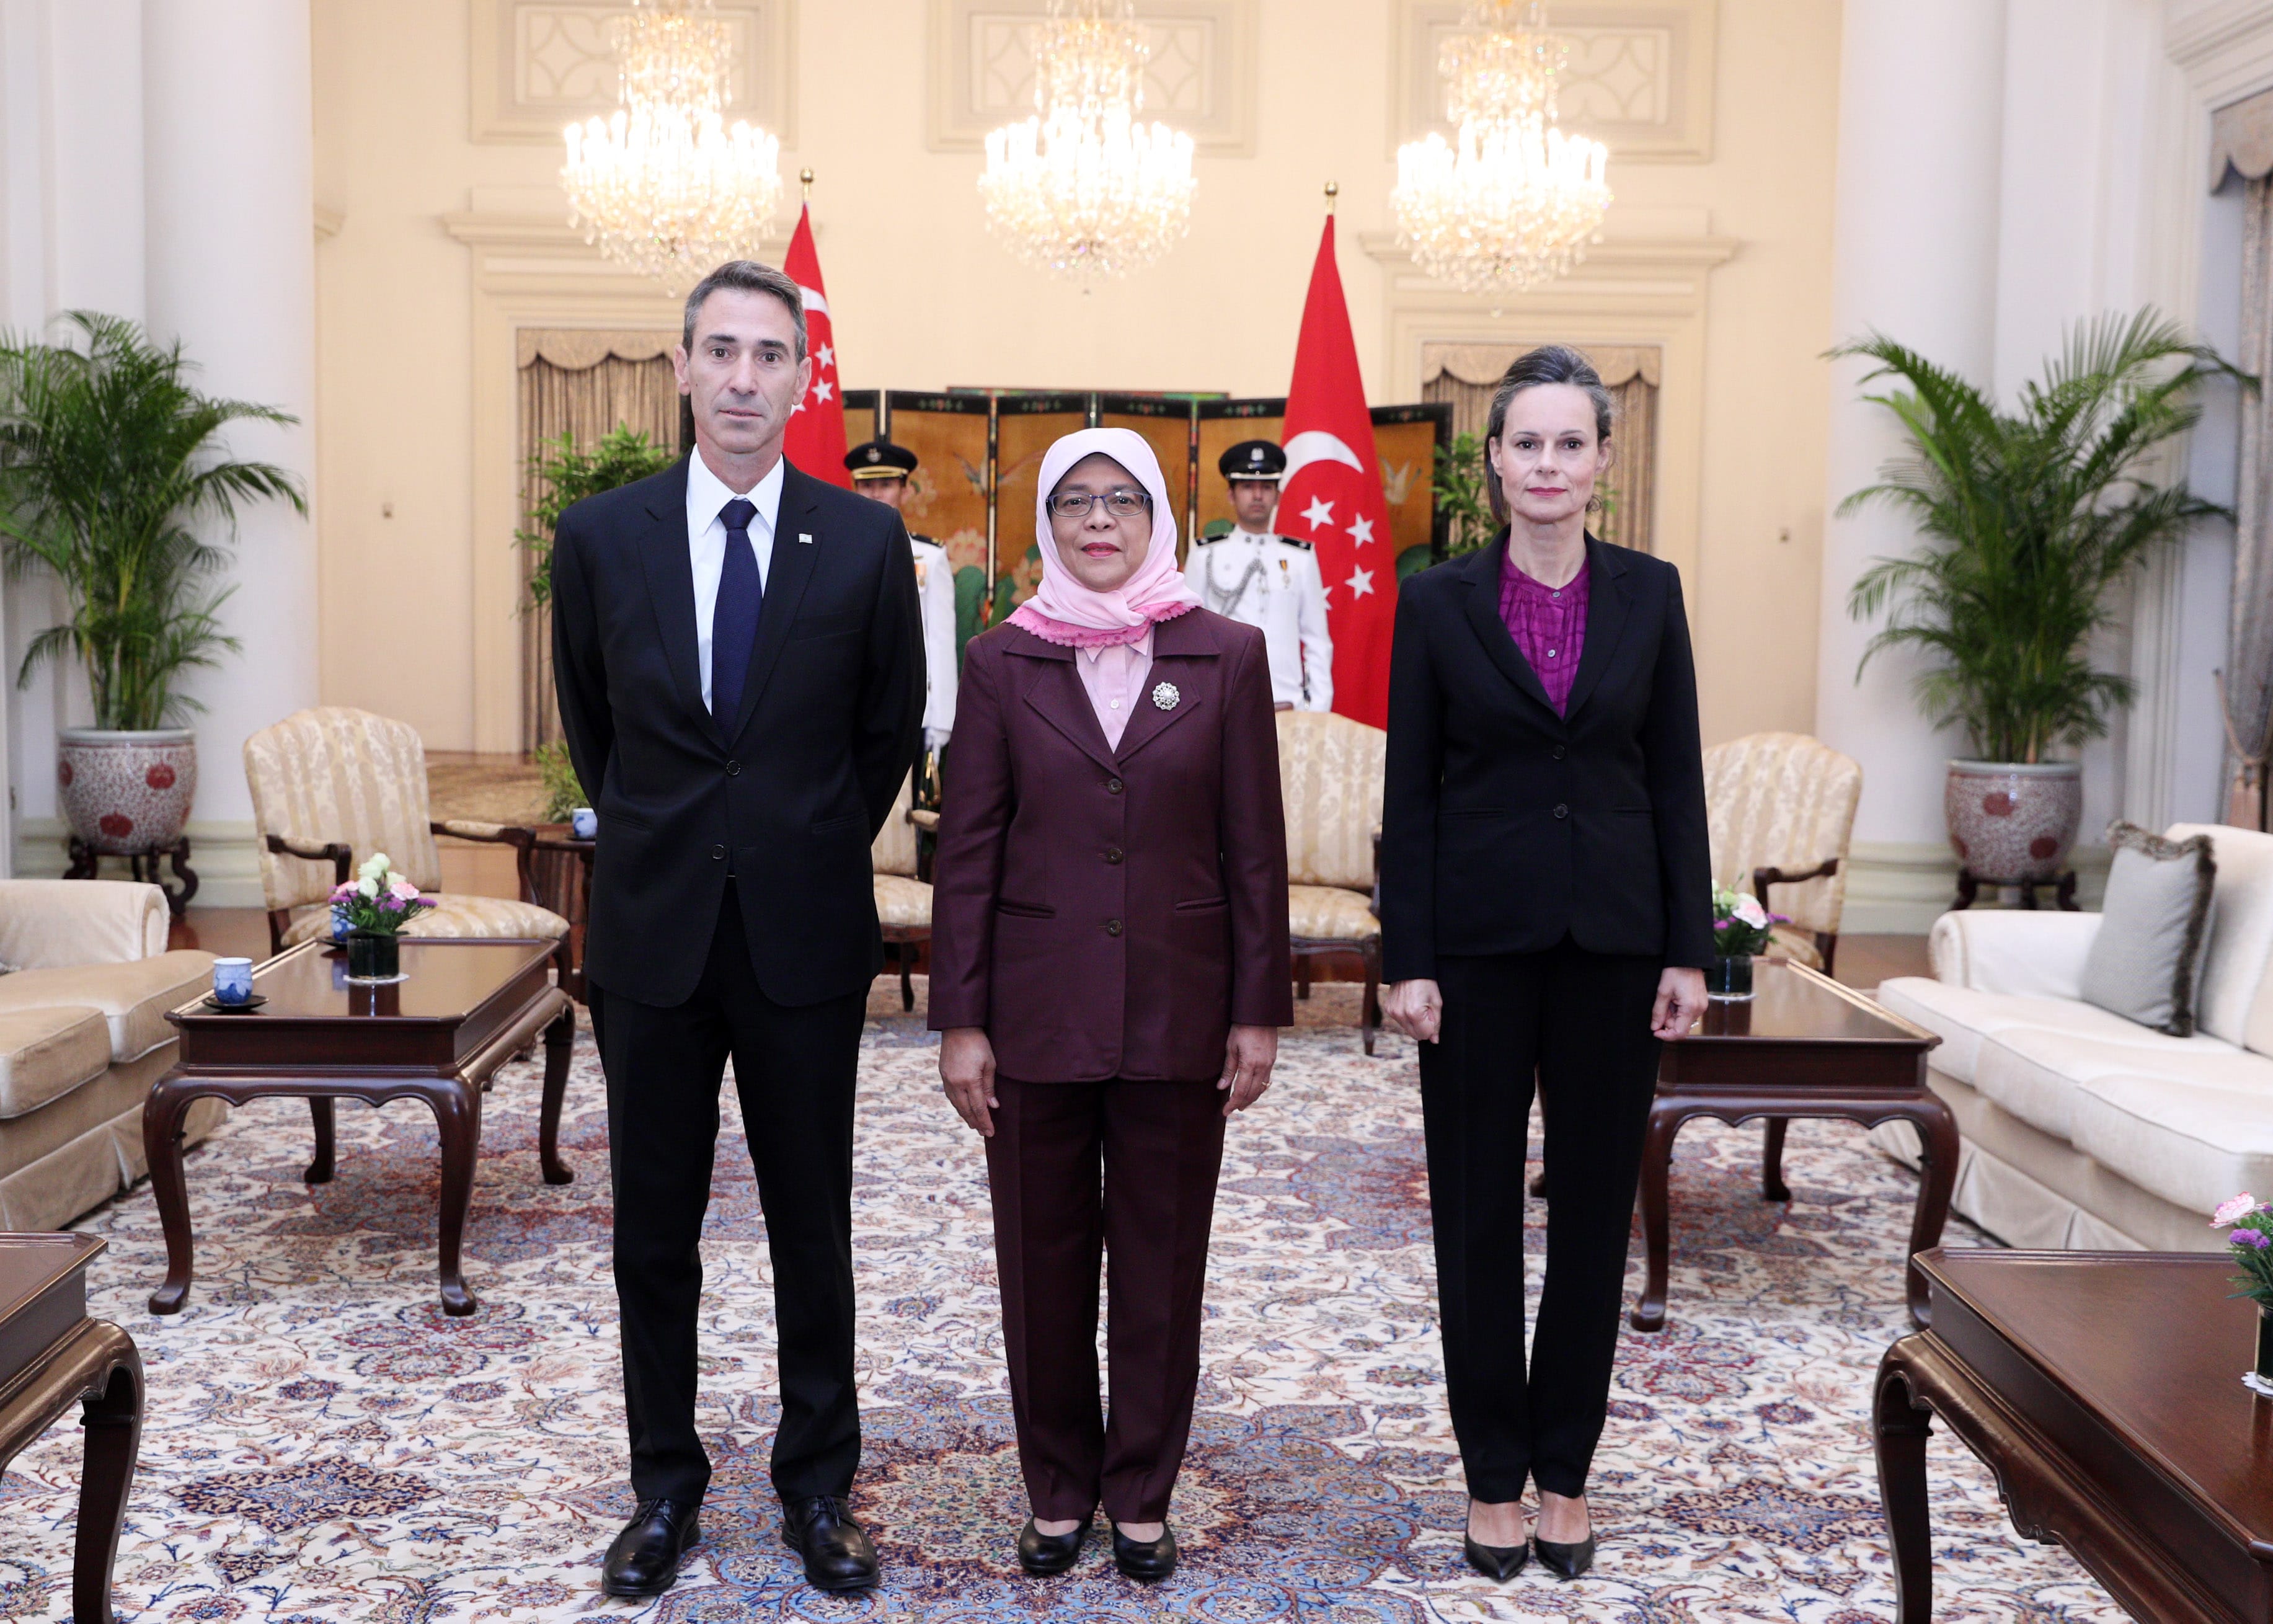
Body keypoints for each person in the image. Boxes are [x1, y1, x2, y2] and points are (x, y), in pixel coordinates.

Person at [550, 260, 925, 1599]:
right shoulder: (602, 539)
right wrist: (675, 836)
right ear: (684, 369)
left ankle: (819, 1484)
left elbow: (887, 730)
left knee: (808, 1220)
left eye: (773, 355)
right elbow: (598, 732)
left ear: (802, 378)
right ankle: (665, 1487)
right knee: (651, 1226)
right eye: (724, 351)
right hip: (654, 937)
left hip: (804, 936)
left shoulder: (866, 542)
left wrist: (798, 835)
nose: (747, 378)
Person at [928, 427, 1292, 1584]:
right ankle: (1056, 1486)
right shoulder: (1000, 661)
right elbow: (969, 853)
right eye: (1075, 501)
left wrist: (1257, 1008)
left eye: (1121, 500)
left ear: (1157, 518)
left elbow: (1254, 851)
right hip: (1033, 1012)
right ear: (1046, 520)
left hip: (1181, 1011)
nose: (1098, 520)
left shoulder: (1227, 653)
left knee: (1158, 1257)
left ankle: (1140, 1490)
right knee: (1038, 1262)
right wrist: (961, 1019)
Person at [1376, 344, 1711, 1583]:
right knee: (1473, 1218)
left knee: (1587, 1216)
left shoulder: (1652, 592)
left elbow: (1674, 777)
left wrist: (1691, 947)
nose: (1550, 464)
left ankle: (1564, 1468)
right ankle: (1491, 1472)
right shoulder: (1437, 602)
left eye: (1573, 444)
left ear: (1603, 463)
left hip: (1616, 947)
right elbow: (1408, 790)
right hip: (1474, 949)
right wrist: (1406, 955)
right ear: (1498, 461)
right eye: (1528, 443)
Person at [1182, 439, 1333, 712]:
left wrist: (1318, 707)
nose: (1257, 496)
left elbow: (1316, 639)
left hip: (1288, 704)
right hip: (1223, 704)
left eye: (1266, 487)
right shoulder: (1205, 554)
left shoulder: (1301, 558)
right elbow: (1191, 635)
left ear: (1278, 495)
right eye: (1247, 487)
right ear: (1231, 494)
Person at [847, 437, 958, 758]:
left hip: (908, 710)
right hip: (847, 709)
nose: (876, 494)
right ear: (854, 489)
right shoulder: (836, 553)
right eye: (866, 485)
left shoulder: (929, 557)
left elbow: (939, 640)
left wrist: (941, 722)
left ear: (906, 491)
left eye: (887, 484)